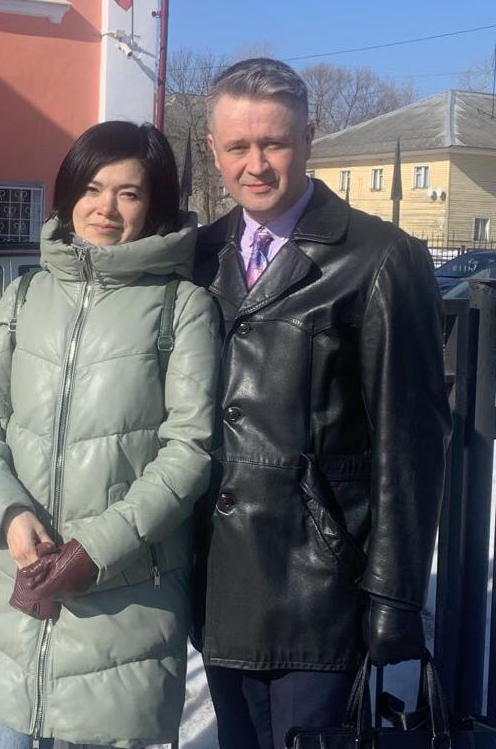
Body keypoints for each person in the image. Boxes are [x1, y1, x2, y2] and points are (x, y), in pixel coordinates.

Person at [190, 58, 451, 749]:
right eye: (238, 146)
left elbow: (412, 442)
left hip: (318, 583)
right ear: (213, 149)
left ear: (308, 138)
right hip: (218, 580)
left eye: (273, 143)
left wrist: (394, 595)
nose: (255, 165)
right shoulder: (199, 257)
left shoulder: (379, 257)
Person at [0, 120, 221, 749]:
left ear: (153, 205)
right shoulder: (23, 296)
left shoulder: (182, 306)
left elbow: (189, 451)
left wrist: (95, 550)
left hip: (121, 609)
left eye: (129, 193)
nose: (106, 208)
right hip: (15, 603)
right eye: (92, 188)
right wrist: (9, 511)